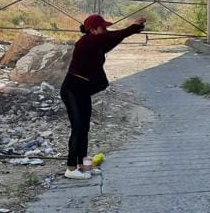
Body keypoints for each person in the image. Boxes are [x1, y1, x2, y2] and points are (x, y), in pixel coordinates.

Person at [60, 14, 146, 179]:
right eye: (103, 28)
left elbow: (113, 39)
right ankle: (71, 169)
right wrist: (132, 27)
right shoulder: (86, 41)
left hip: (83, 91)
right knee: (78, 128)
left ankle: (83, 166)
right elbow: (114, 36)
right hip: (72, 90)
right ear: (92, 30)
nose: (106, 30)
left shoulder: (97, 44)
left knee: (85, 128)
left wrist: (135, 29)